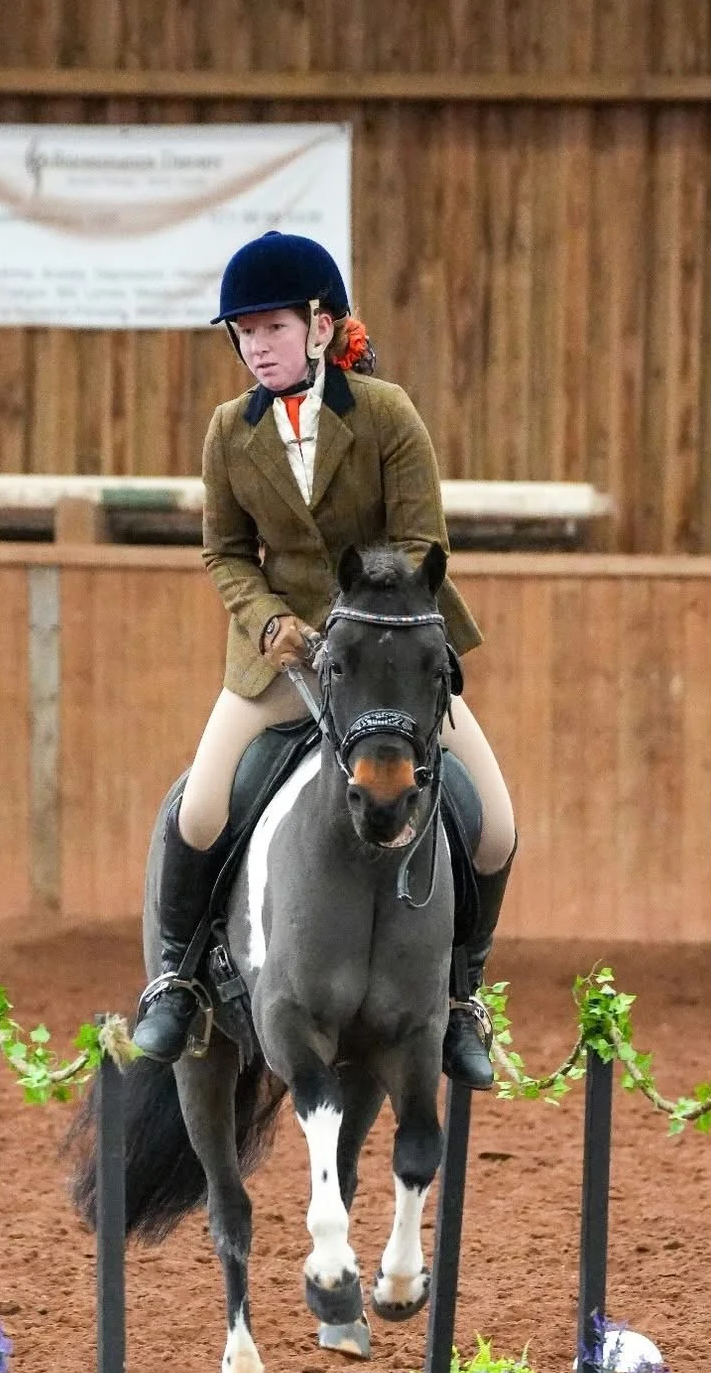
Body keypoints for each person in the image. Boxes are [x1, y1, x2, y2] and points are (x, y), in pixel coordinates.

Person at [133, 229, 516, 1088]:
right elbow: (225, 552)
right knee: (200, 811)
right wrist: (268, 619)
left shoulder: (385, 414)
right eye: (243, 332)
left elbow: (419, 541)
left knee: (493, 827)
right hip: (281, 663)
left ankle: (462, 999)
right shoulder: (228, 431)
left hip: (383, 663)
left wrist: (352, 628)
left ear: (319, 326)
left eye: (271, 327)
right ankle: (177, 981)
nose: (256, 346)